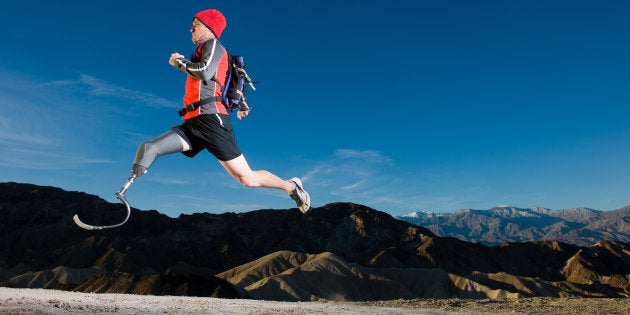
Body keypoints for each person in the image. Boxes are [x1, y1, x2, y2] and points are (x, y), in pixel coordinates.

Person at [122, 9, 310, 213]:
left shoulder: (212, 45)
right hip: (193, 123)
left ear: (209, 27)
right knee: (150, 148)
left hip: (211, 119)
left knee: (247, 179)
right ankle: (124, 189)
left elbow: (204, 71)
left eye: (196, 23)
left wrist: (178, 62)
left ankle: (291, 187)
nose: (190, 27)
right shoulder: (205, 48)